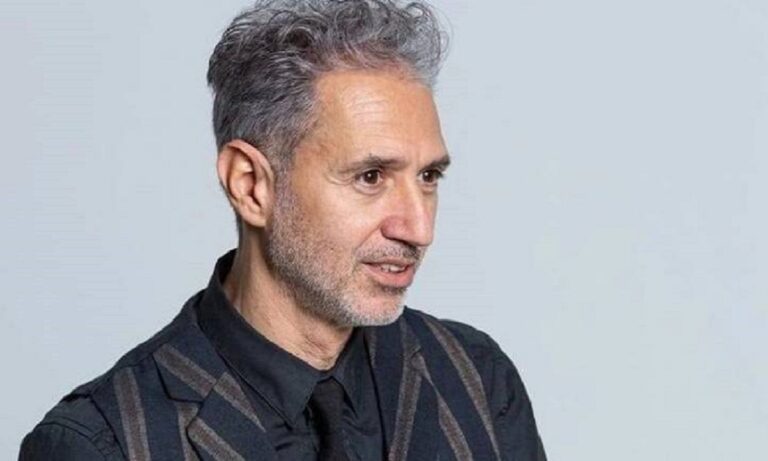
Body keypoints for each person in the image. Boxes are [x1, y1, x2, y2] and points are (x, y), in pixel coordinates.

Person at [20, 1, 546, 459]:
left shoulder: (475, 378)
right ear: (250, 185)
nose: (419, 227)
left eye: (428, 177)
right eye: (370, 177)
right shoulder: (102, 444)